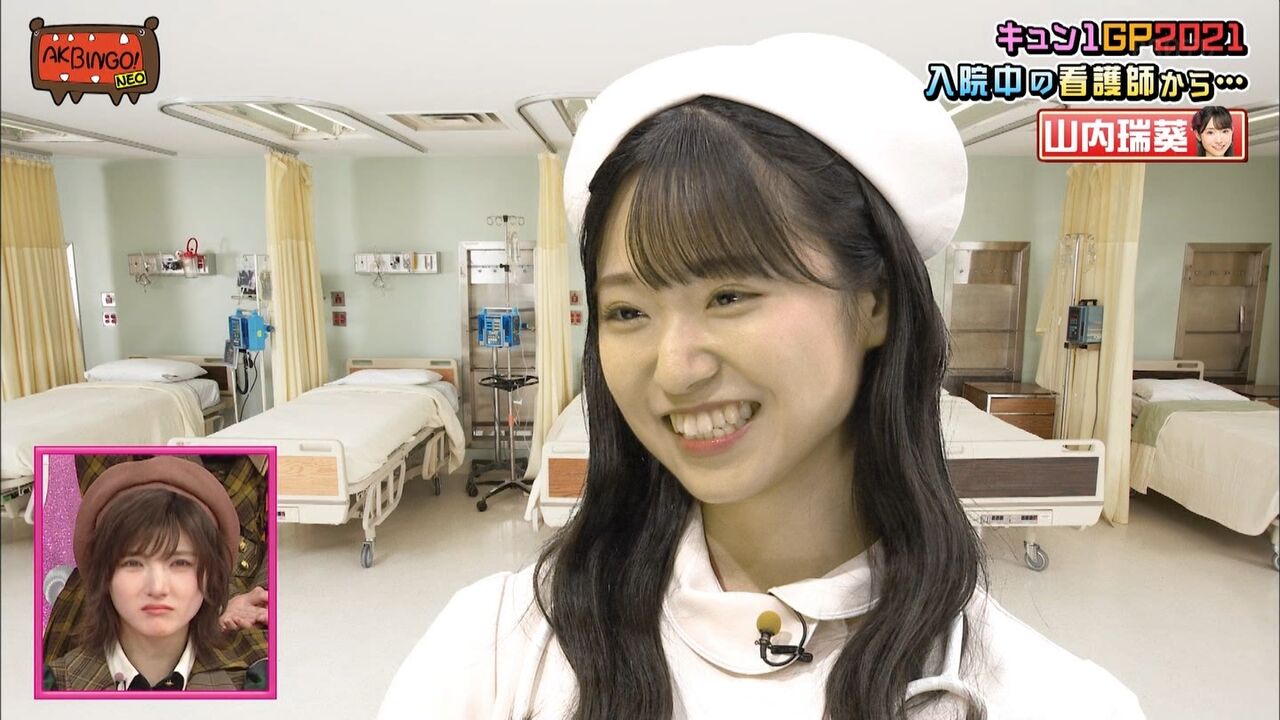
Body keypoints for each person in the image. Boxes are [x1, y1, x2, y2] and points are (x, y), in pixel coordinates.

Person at [380, 34, 1144, 719]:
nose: (675, 369)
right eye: (628, 311)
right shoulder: (495, 653)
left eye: (729, 296)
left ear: (874, 303)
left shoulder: (1047, 698)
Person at [43, 456, 267, 691]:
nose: (157, 588)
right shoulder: (52, 687)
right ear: (103, 575)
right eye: (133, 563)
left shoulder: (259, 682)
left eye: (179, 563)